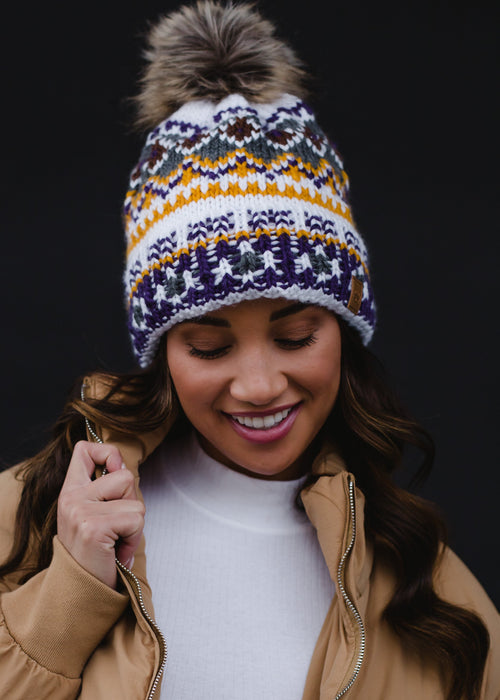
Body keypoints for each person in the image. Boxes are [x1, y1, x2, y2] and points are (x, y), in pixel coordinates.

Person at [0, 1, 498, 698]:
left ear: (346, 330)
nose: (260, 385)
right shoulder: (33, 514)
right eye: (209, 347)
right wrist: (69, 595)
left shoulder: (426, 585)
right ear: (162, 352)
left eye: (296, 336)